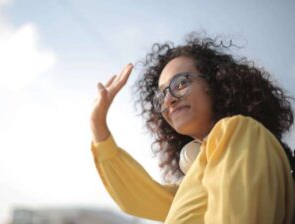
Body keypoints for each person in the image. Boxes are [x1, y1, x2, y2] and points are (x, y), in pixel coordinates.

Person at [90, 33, 295, 223]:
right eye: (161, 95)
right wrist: (97, 124)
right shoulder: (198, 181)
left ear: (215, 83)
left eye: (180, 84)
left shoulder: (240, 130)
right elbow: (137, 196)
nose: (168, 100)